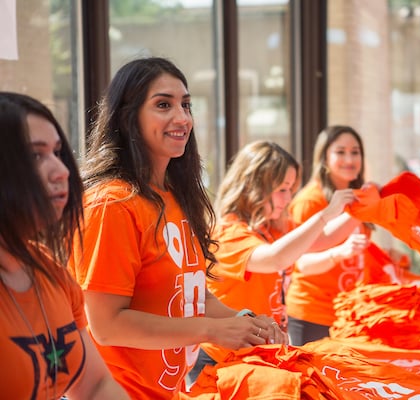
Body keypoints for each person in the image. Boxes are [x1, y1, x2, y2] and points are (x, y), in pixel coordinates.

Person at [68, 57, 287, 399]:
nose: (182, 118)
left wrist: (246, 321)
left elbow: (191, 294)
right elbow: (106, 325)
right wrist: (212, 331)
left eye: (186, 104)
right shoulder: (111, 204)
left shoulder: (175, 197)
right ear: (128, 117)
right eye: (163, 105)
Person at [188, 140, 358, 379]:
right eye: (282, 189)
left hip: (257, 356)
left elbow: (322, 239)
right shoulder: (228, 233)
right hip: (221, 359)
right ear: (254, 186)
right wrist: (326, 214)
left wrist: (363, 210)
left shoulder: (272, 227)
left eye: (290, 189)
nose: (288, 198)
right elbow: (275, 259)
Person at [0, 92, 128, 399]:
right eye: (35, 156)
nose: (62, 171)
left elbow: (95, 385)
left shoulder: (49, 269)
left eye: (58, 152)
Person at [286, 125, 394, 345]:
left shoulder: (358, 196)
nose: (350, 159)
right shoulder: (310, 201)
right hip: (312, 314)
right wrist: (339, 252)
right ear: (324, 157)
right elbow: (300, 263)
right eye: (340, 152)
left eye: (355, 152)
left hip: (349, 313)